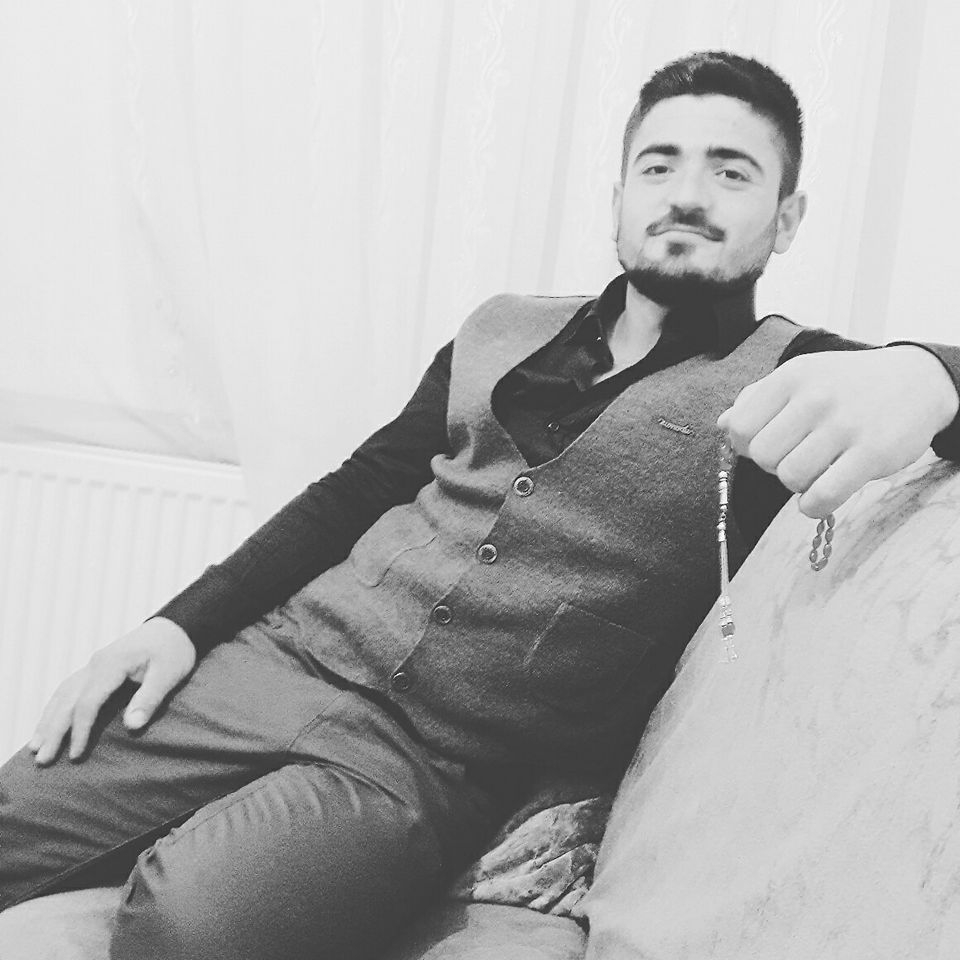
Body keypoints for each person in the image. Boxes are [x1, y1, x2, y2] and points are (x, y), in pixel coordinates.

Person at [2, 50, 959, 960]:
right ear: (618, 200)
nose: (687, 194)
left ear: (786, 220)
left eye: (732, 172)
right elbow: (357, 490)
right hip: (277, 660)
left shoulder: (795, 378)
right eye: (659, 164)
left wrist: (930, 372)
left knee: (193, 929)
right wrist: (177, 625)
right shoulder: (500, 326)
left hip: (432, 762)